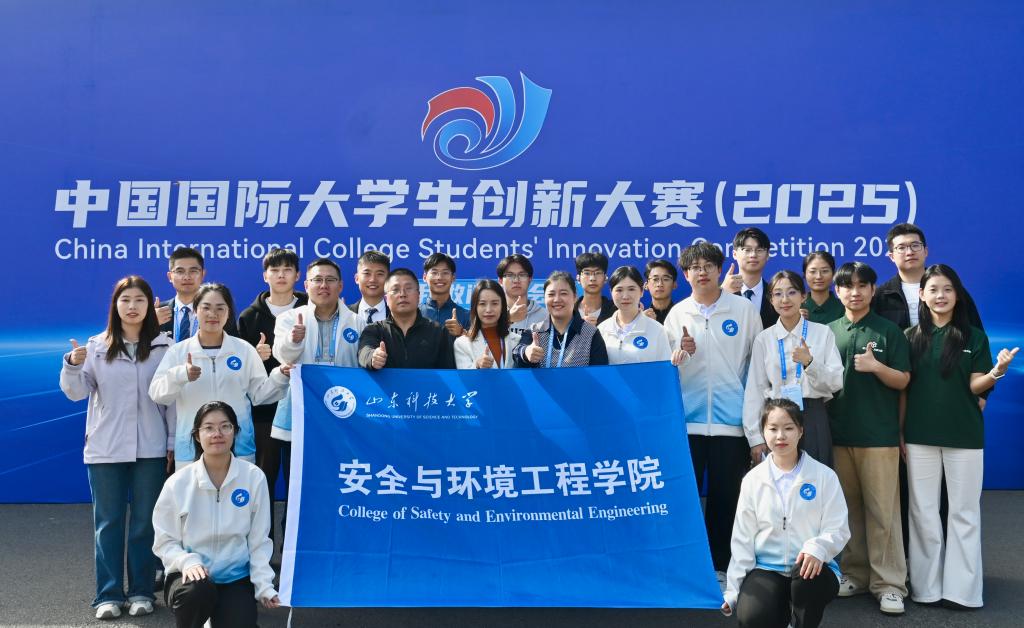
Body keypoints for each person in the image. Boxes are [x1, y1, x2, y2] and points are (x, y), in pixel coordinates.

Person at [903, 264, 1018, 609]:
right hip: (919, 436)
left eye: (947, 289)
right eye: (933, 289)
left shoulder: (974, 337)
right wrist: (900, 433)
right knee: (922, 513)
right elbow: (904, 390)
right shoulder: (909, 337)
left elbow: (975, 385)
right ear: (922, 295)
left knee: (964, 513)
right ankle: (925, 589)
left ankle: (963, 592)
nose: (940, 296)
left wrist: (997, 372)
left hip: (964, 436)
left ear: (957, 294)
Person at [59, 276, 174, 620]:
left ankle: (141, 591)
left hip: (151, 448)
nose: (132, 306)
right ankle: (108, 594)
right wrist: (72, 365)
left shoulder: (164, 347)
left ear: (150, 306)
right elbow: (76, 392)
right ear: (115, 306)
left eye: (139, 300)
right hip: (105, 448)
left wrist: (171, 443)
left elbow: (171, 402)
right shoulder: (96, 346)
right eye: (125, 300)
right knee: (108, 523)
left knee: (144, 524)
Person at [664, 242, 762, 583]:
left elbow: (755, 369)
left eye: (708, 266)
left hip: (731, 425)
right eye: (695, 267)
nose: (702, 272)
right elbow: (666, 371)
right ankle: (687, 565)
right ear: (685, 274)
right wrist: (680, 355)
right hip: (688, 424)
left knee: (725, 498)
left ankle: (721, 567)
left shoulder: (743, 310)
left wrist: (754, 429)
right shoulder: (677, 314)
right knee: (686, 498)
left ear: (720, 270)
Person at [827, 262, 911, 615]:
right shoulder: (828, 331)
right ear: (837, 291)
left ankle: (889, 584)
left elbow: (903, 380)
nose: (855, 292)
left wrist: (877, 367)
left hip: (879, 437)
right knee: (848, 511)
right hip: (838, 435)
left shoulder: (889, 331)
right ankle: (855, 574)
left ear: (873, 290)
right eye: (848, 286)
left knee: (883, 513)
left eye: (863, 285)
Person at [722, 399, 850, 628]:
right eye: (773, 429)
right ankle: (779, 614)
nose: (780, 436)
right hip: (767, 568)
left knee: (805, 579)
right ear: (763, 432)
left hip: (813, 569)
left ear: (801, 431)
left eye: (788, 428)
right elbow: (742, 539)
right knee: (752, 616)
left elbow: (838, 528)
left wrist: (818, 548)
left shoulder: (824, 476)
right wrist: (732, 592)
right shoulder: (753, 480)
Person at [153, 402, 279, 628]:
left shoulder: (254, 478)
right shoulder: (178, 483)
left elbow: (259, 540)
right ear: (197, 435)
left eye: (225, 426)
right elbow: (164, 542)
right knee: (197, 591)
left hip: (235, 578)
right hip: (188, 578)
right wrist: (187, 562)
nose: (217, 434)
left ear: (235, 431)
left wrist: (264, 585)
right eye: (209, 428)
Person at [149, 283, 290, 470]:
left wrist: (280, 375)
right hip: (191, 451)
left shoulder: (244, 350)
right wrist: (180, 375)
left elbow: (260, 395)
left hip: (238, 448)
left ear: (228, 312)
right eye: (206, 308)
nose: (212, 314)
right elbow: (157, 394)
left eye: (220, 308)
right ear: (195, 311)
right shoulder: (178, 352)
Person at [236, 248, 307, 545]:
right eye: (274, 270)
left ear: (297, 275)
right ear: (265, 275)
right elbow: (238, 368)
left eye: (287, 269)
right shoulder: (249, 317)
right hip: (263, 413)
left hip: (303, 412)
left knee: (298, 482)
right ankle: (260, 549)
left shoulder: (311, 309)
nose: (281, 275)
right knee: (261, 480)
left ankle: (292, 549)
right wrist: (255, 356)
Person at [744, 271, 843, 467]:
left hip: (812, 414)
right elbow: (755, 389)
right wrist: (755, 437)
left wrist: (810, 363)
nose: (785, 299)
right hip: (775, 416)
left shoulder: (822, 333)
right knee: (779, 479)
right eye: (778, 294)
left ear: (803, 296)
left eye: (791, 292)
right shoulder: (764, 339)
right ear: (771, 300)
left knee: (814, 478)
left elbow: (836, 382)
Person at [872, 223, 984, 331]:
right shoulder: (881, 296)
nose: (910, 252)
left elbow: (975, 332)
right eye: (901, 248)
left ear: (925, 251)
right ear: (891, 256)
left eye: (915, 245)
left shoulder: (951, 289)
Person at [359, 268, 456, 369]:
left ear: (418, 296)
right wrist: (373, 357)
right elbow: (364, 351)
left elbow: (448, 372)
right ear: (386, 299)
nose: (402, 294)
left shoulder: (439, 332)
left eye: (408, 288)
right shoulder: (374, 330)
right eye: (395, 290)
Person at [513, 271, 609, 367]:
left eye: (563, 293)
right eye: (551, 294)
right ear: (544, 298)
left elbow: (600, 372)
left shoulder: (591, 333)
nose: (557, 299)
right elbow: (517, 353)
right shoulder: (535, 331)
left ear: (575, 296)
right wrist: (525, 352)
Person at [157, 247, 237, 341]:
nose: (187, 277)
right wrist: (151, 324)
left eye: (193, 271)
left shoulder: (218, 312)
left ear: (203, 274)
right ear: (170, 276)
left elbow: (233, 345)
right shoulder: (157, 313)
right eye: (180, 271)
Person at [597, 266, 671, 364]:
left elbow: (665, 369)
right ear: (611, 292)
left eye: (631, 289)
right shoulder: (602, 330)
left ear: (641, 291)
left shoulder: (657, 330)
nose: (625, 296)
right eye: (619, 290)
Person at [454, 279, 522, 369]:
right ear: (475, 307)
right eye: (482, 304)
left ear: (502, 306)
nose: (489, 310)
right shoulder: (462, 343)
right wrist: (477, 365)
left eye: (495, 303)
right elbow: (464, 376)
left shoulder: (517, 340)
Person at [721, 227, 779, 330]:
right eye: (747, 250)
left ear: (767, 255)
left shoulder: (776, 294)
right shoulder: (722, 293)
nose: (753, 255)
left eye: (759, 250)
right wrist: (721, 294)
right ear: (734, 254)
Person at [419, 252, 470, 337]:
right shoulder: (415, 314)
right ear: (425, 277)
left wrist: (461, 333)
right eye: (434, 272)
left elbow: (476, 344)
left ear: (453, 278)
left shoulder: (466, 316)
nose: (439, 277)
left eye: (445, 273)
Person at [497, 254, 547, 335]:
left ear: (530, 279)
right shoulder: (492, 314)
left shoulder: (545, 316)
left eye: (522, 275)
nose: (516, 280)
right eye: (510, 275)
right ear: (500, 281)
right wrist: (508, 319)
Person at [800, 251, 844, 325]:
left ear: (834, 274)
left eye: (825, 271)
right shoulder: (796, 309)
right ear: (804, 275)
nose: (819, 276)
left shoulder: (844, 308)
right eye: (813, 271)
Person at [349, 250, 390, 325]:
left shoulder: (399, 315)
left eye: (379, 274)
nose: (373, 279)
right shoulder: (344, 314)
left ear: (388, 279)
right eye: (367, 273)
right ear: (357, 278)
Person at [575, 252, 616, 326]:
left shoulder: (616, 309)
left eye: (598, 273)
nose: (592, 278)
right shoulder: (568, 310)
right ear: (578, 278)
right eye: (587, 273)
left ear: (605, 278)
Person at [642, 259, 678, 324]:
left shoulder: (682, 315)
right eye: (655, 279)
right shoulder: (641, 318)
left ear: (674, 284)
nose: (660, 284)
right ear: (646, 285)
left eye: (665, 279)